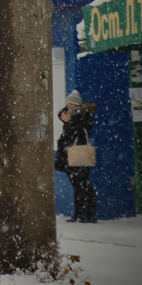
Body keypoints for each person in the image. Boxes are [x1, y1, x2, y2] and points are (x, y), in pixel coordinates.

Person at [55, 90, 98, 223]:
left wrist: (70, 121)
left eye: (72, 104)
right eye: (68, 104)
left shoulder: (84, 116)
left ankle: (89, 214)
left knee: (83, 186)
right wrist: (69, 116)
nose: (69, 106)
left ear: (78, 105)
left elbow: (81, 131)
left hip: (78, 156)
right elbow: (59, 115)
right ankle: (79, 214)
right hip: (69, 156)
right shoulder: (72, 116)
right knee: (78, 186)